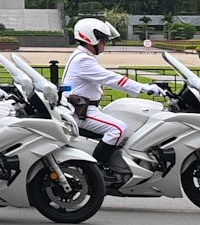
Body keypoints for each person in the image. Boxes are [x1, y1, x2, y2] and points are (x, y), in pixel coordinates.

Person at [66, 18, 163, 185]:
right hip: (81, 111)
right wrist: (143, 88)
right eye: (103, 40)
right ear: (91, 39)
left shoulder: (83, 56)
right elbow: (112, 79)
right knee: (118, 129)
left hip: (86, 107)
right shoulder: (83, 60)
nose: (105, 44)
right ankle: (97, 169)